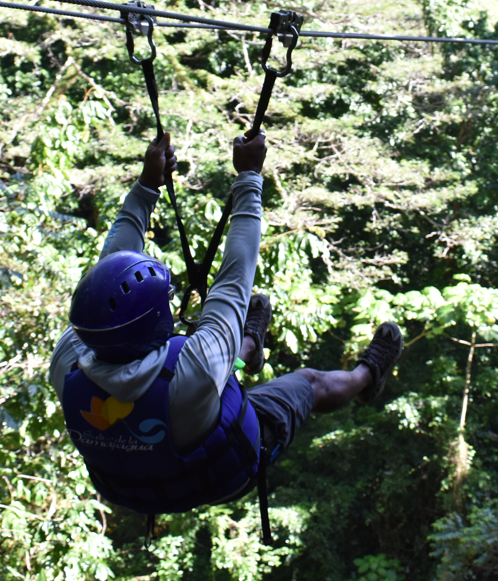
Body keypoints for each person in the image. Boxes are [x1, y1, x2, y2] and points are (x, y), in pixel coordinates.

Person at [48, 131, 404, 517]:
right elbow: (236, 275)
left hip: (132, 487)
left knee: (208, 360)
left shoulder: (69, 359)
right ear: (155, 321)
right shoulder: (195, 369)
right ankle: (368, 378)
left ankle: (248, 348)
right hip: (220, 474)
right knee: (308, 383)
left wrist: (147, 184)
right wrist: (249, 175)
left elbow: (111, 267)